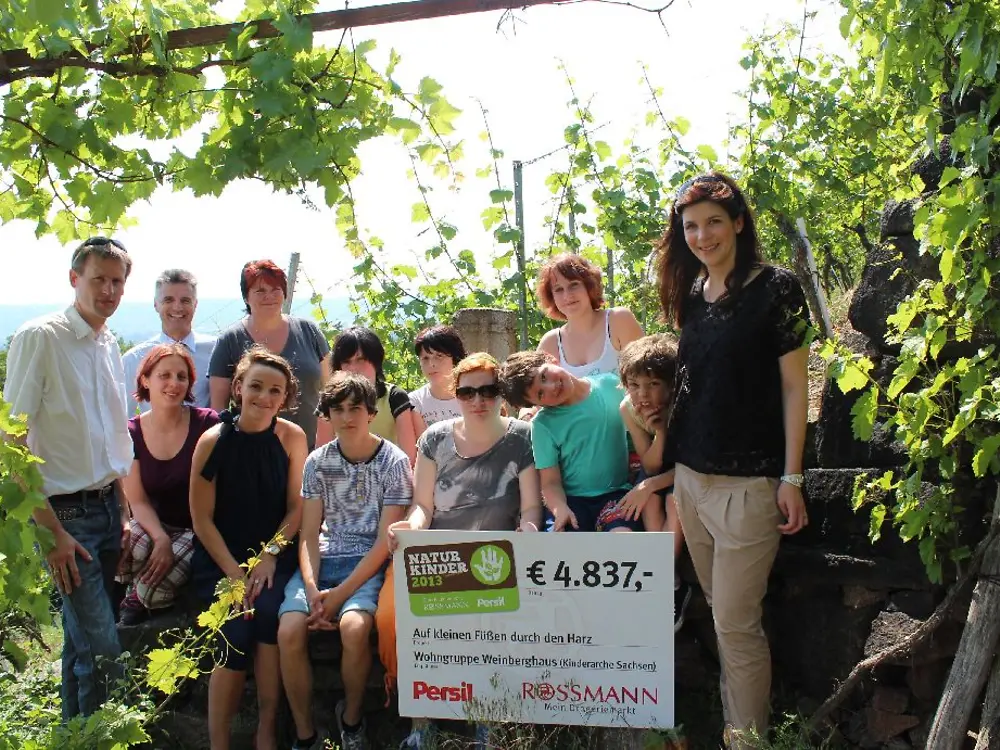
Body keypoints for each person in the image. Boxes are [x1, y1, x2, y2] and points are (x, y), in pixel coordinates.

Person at [655, 171, 810, 747]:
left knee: (737, 625)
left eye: (714, 222)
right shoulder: (692, 295)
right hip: (691, 482)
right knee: (725, 615)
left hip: (749, 485)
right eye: (690, 225)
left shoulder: (777, 288)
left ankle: (746, 740)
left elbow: (796, 388)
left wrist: (792, 476)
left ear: (739, 223)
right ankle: (734, 727)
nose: (701, 235)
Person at [383, 352, 543, 748]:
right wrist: (412, 528)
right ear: (456, 394)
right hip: (441, 555)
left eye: (488, 390)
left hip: (497, 558)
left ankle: (489, 723)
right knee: (402, 621)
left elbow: (530, 505)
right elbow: (423, 505)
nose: (479, 400)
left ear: (501, 393)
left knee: (491, 630)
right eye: (469, 392)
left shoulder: (522, 437)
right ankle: (422, 726)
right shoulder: (434, 440)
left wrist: (530, 528)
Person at [3, 236, 133, 719]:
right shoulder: (41, 337)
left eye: (117, 281)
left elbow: (108, 435)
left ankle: (74, 734)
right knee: (105, 651)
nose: (108, 290)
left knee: (81, 649)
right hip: (65, 514)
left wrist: (120, 507)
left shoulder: (107, 342)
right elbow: (11, 441)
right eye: (98, 278)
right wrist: (51, 531)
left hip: (104, 506)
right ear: (74, 278)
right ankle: (112, 729)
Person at [277, 372, 413, 750]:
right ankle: (305, 733)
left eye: (356, 408)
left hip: (367, 564)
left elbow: (385, 543)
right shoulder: (317, 462)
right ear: (327, 414)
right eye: (338, 409)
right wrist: (310, 587)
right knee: (289, 631)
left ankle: (351, 720)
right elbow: (308, 534)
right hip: (323, 560)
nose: (347, 416)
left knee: (354, 629)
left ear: (371, 412)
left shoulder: (394, 461)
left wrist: (338, 597)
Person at [190, 346, 308, 750]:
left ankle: (267, 729)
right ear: (238, 388)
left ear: (286, 396)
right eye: (256, 386)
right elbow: (201, 518)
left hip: (274, 554)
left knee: (269, 616)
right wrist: (236, 574)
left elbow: (297, 508)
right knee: (234, 628)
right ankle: (218, 742)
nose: (265, 396)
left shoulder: (292, 438)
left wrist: (269, 556)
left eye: (276, 390)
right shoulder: (212, 441)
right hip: (220, 558)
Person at [118, 343, 220, 625]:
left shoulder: (206, 424)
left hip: (196, 528)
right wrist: (160, 538)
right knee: (128, 549)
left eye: (181, 376)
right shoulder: (131, 432)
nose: (173, 384)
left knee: (153, 594)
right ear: (145, 379)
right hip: (154, 524)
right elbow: (136, 500)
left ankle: (139, 595)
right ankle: (120, 595)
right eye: (164, 375)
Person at [497, 350, 641, 534]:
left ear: (551, 359)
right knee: (562, 543)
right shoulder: (543, 426)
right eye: (540, 394)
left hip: (617, 494)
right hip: (572, 501)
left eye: (543, 376)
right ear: (535, 404)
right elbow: (550, 482)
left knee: (623, 537)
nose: (550, 387)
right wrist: (559, 508)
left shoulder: (610, 385)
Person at [208, 260, 330, 450]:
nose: (269, 296)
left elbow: (331, 391)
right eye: (260, 291)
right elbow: (218, 409)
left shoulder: (309, 331)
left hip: (311, 450)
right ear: (246, 297)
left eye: (275, 289)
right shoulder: (229, 340)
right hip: (250, 452)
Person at [616, 334, 692, 631]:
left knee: (673, 500)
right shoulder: (629, 409)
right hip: (660, 466)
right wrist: (659, 433)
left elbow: (689, 465)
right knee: (646, 499)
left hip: (689, 469)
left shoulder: (684, 405)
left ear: (671, 384)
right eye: (634, 385)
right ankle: (666, 576)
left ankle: (660, 571)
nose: (642, 395)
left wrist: (649, 484)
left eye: (653, 384)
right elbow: (650, 464)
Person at [122, 269, 217, 416]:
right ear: (156, 304)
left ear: (195, 304)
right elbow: (123, 416)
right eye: (168, 300)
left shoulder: (214, 351)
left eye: (185, 300)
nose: (177, 307)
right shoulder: (134, 358)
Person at [317, 327, 416, 464]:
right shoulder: (330, 398)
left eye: (360, 360)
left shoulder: (394, 396)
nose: (353, 368)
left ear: (375, 361)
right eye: (347, 362)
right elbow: (321, 458)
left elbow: (409, 457)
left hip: (389, 475)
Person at [535, 253, 644, 377]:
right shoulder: (551, 343)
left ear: (589, 286)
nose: (567, 296)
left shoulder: (619, 320)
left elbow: (649, 376)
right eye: (558, 289)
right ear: (551, 297)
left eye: (574, 285)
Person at [409, 325, 466, 439]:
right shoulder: (415, 401)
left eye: (439, 356)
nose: (432, 364)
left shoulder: (471, 394)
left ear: (454, 358)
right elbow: (422, 445)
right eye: (425, 358)